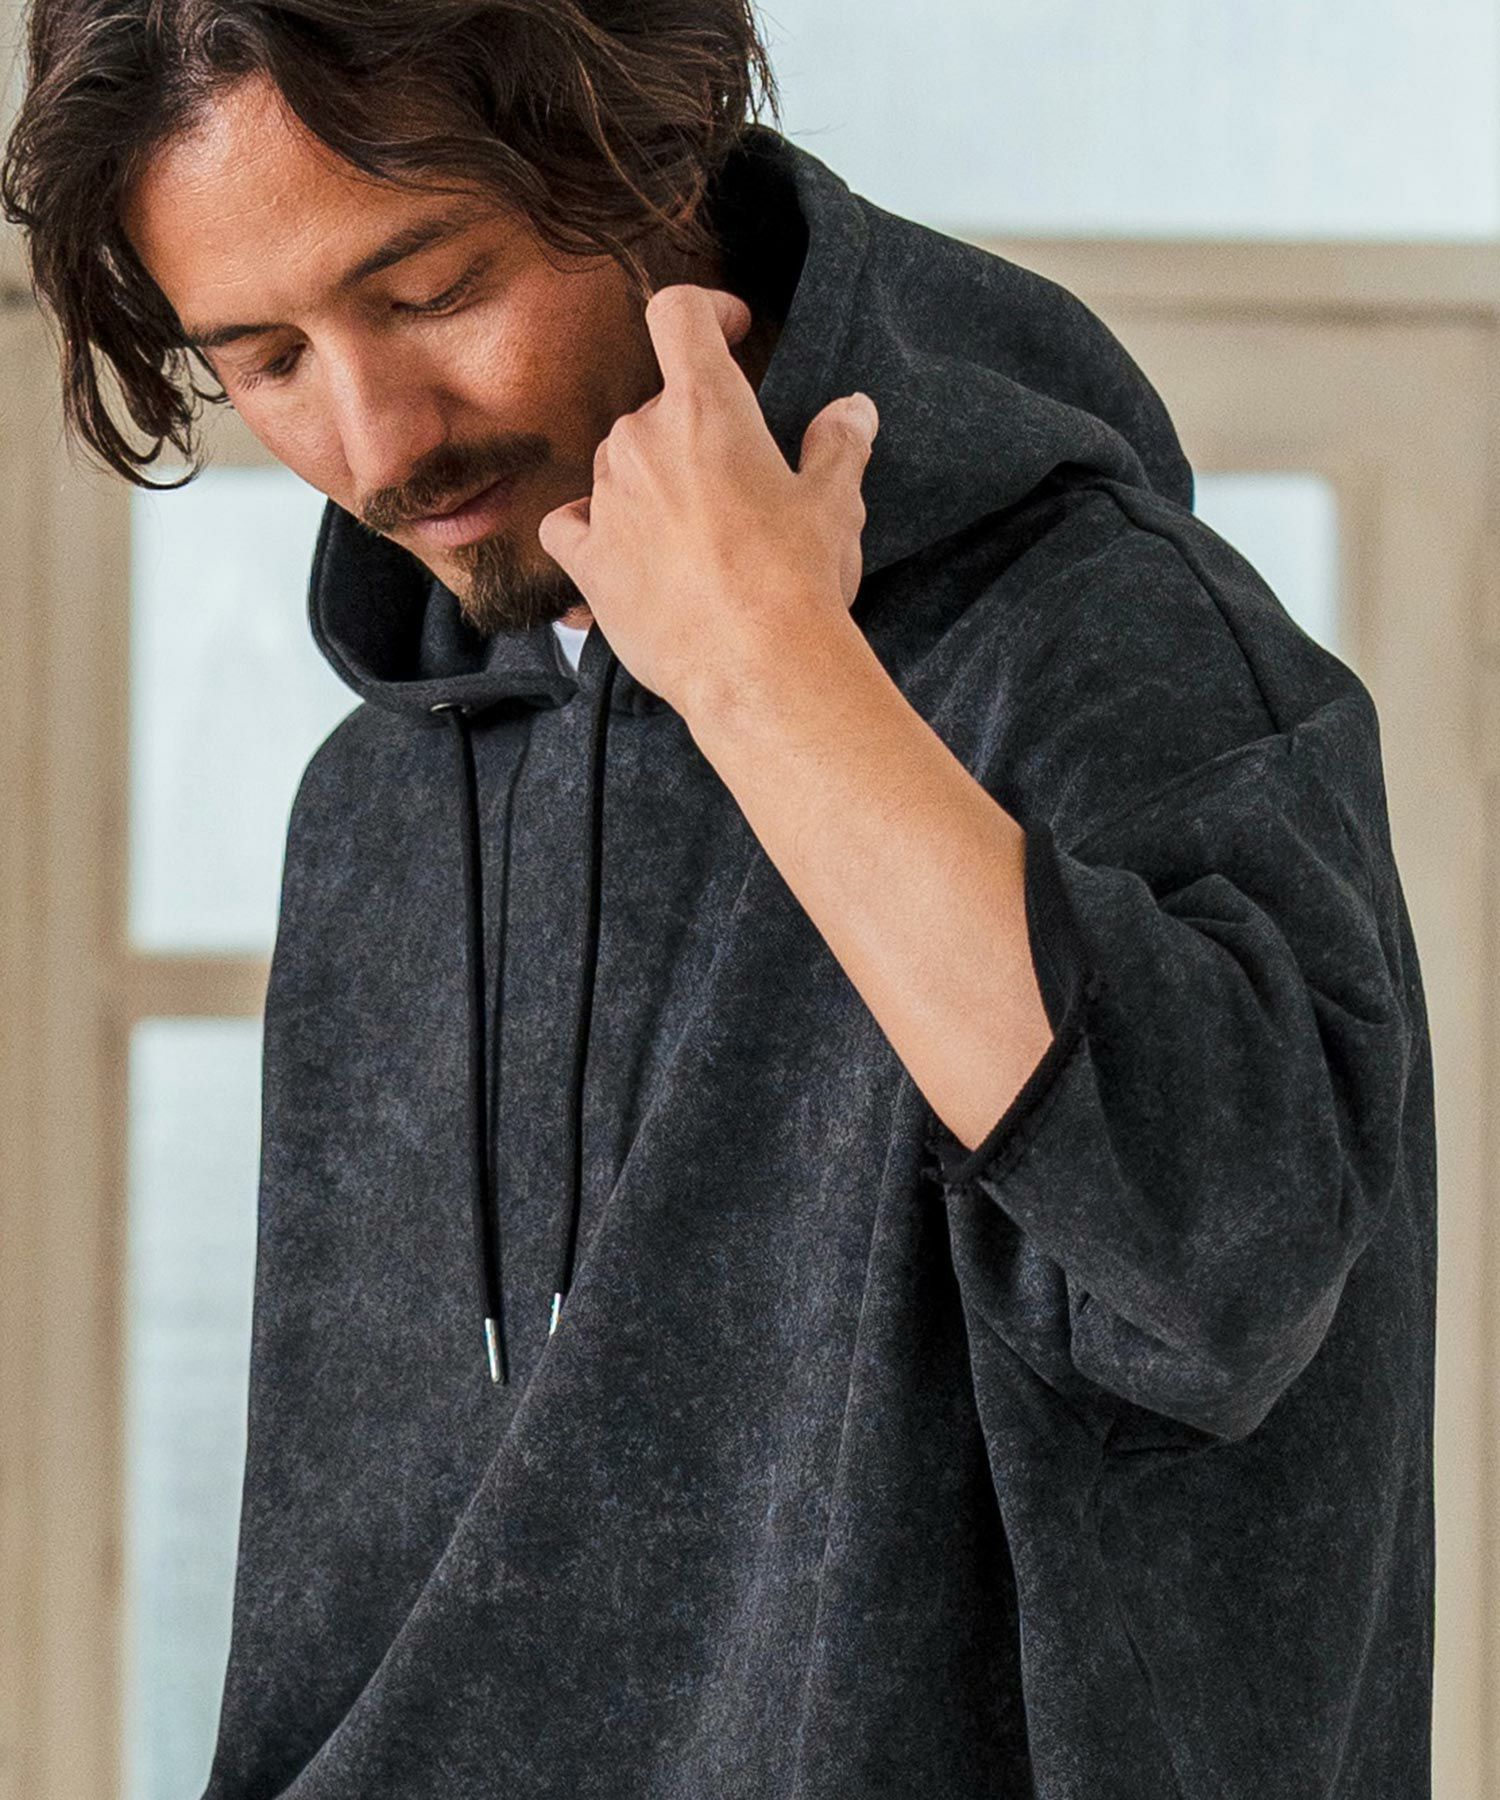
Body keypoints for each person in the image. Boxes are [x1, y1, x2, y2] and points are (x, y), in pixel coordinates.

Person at [3, 3, 1437, 1796]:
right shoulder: (379, 802)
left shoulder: (1103, 649)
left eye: (434, 290)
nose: (377, 444)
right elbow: (352, 1612)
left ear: (651, 150)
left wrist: (775, 684)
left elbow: (1225, 1281)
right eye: (268, 359)